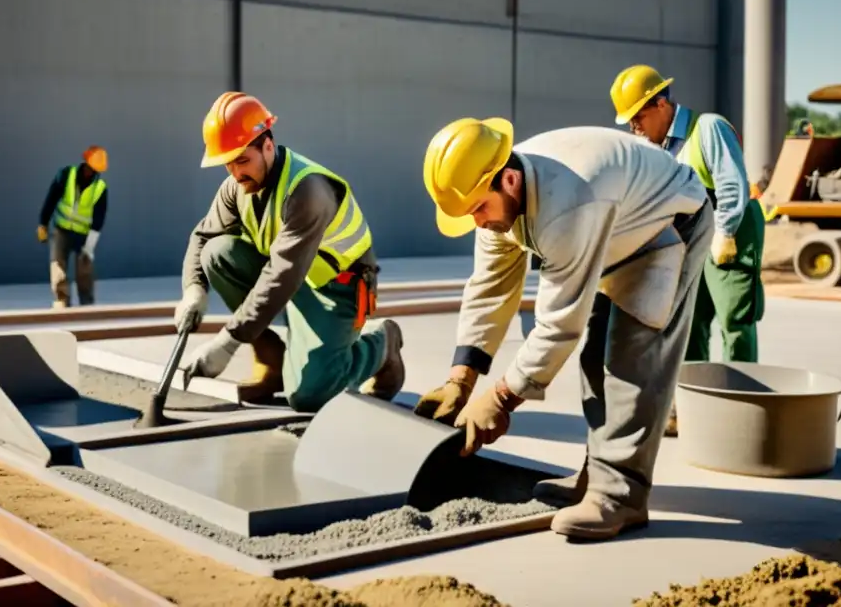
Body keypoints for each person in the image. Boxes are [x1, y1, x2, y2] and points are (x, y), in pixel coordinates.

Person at [413, 116, 713, 540]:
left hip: (669, 224)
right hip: (616, 224)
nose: (477, 221)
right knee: (594, 361)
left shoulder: (568, 203)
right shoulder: (494, 198)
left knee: (631, 358)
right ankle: (598, 474)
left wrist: (501, 398)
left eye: (479, 208)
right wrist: (461, 379)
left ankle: (621, 495)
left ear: (510, 180)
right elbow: (489, 287)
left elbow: (558, 323)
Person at [176, 91, 405, 411]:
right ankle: (272, 362)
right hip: (291, 283)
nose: (236, 173)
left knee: (310, 396)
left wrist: (226, 342)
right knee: (218, 252)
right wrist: (194, 290)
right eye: (228, 164)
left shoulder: (307, 190)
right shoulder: (237, 185)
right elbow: (203, 237)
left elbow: (281, 275)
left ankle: (382, 344)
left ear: (267, 146)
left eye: (243, 160)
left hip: (338, 289)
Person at [609, 64, 766, 436]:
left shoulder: (708, 128)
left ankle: (740, 412)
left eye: (638, 117)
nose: (634, 127)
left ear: (661, 104)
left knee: (735, 322)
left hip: (732, 232)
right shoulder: (658, 147)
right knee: (690, 324)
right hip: (693, 236)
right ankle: (691, 409)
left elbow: (732, 186)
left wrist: (724, 233)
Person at [37, 146, 109, 308]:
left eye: (96, 170)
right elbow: (51, 199)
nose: (92, 173)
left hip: (84, 235)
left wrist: (89, 248)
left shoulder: (100, 188)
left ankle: (87, 304)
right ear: (85, 164)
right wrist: (43, 223)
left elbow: (98, 220)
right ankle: (62, 303)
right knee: (57, 267)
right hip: (61, 230)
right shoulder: (65, 175)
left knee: (85, 271)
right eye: (91, 168)